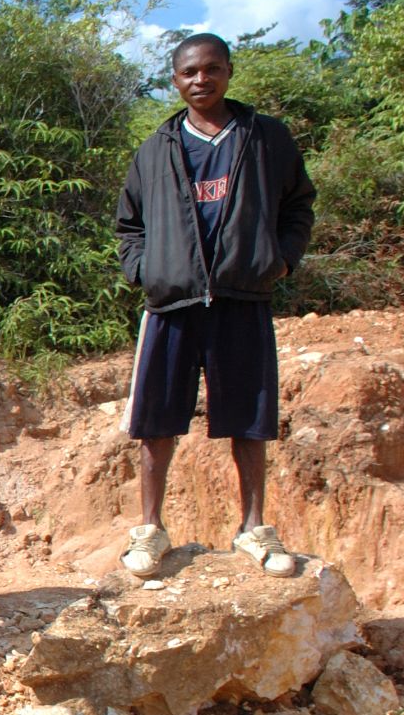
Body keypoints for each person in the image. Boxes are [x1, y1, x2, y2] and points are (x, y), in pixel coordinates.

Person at [115, 32, 315, 580]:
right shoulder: (156, 148)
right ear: (174, 80)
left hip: (242, 297)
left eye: (210, 70)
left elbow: (299, 205)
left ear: (228, 71)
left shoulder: (265, 138)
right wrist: (146, 270)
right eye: (188, 73)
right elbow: (129, 225)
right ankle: (150, 530)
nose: (200, 80)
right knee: (154, 420)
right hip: (171, 303)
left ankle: (254, 528)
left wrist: (281, 259)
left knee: (248, 420)